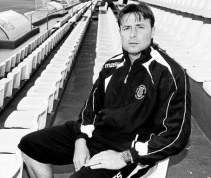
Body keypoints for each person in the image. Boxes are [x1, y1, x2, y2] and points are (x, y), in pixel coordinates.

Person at [18, 2, 191, 178]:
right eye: (126, 28)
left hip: (130, 151)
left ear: (152, 31)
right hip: (97, 135)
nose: (133, 34)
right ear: (120, 32)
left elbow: (176, 136)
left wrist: (125, 157)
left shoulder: (170, 73)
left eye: (140, 27)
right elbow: (90, 109)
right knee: (29, 146)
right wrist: (81, 138)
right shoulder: (112, 65)